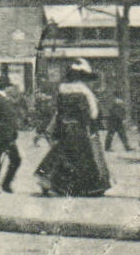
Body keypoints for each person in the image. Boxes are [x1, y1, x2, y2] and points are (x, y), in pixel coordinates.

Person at [35, 59, 110, 197]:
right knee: (84, 157)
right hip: (80, 128)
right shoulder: (84, 92)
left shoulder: (62, 91)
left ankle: (53, 184)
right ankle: (86, 188)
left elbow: (58, 111)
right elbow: (93, 113)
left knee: (62, 154)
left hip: (64, 128)